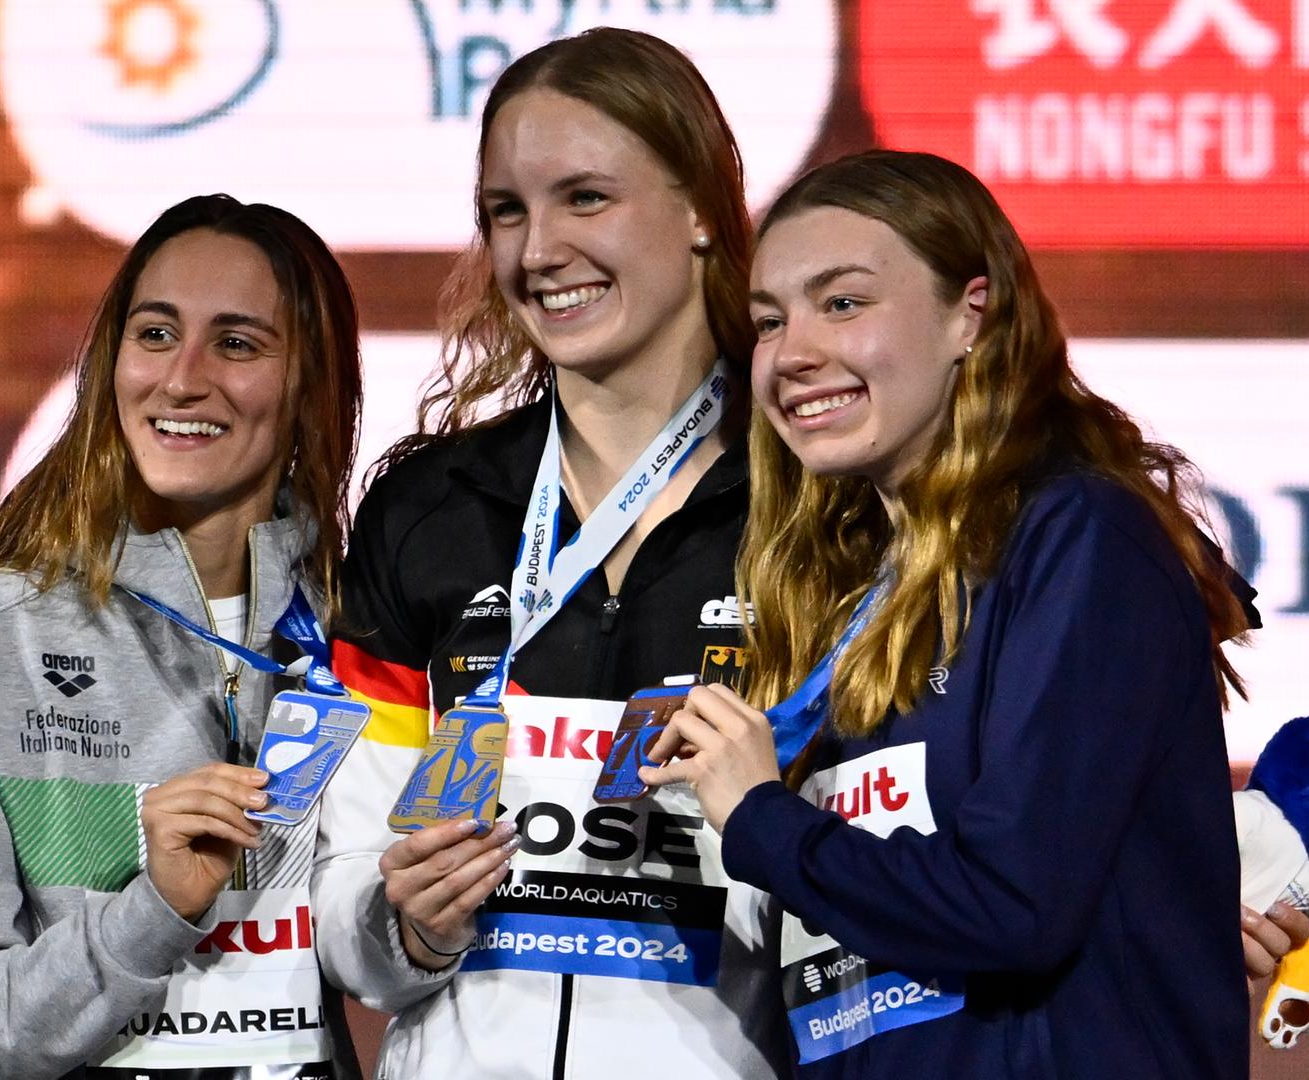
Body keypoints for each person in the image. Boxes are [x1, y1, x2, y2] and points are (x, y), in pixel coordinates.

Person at [639, 150, 1257, 1078]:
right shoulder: (845, 595)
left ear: (971, 313)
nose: (794, 353)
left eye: (843, 302)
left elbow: (1013, 905)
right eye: (770, 321)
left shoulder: (1078, 540)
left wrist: (763, 817)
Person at [310, 27, 789, 1080]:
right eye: (506, 211)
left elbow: (877, 891)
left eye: (586, 198)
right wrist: (407, 925)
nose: (537, 252)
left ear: (703, 210)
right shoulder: (432, 508)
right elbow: (343, 897)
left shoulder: (813, 509)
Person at [0, 194, 363, 1080]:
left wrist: (420, 930)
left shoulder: (359, 642)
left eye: (237, 344)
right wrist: (151, 911)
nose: (182, 379)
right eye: (156, 334)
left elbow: (374, 963)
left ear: (309, 387)